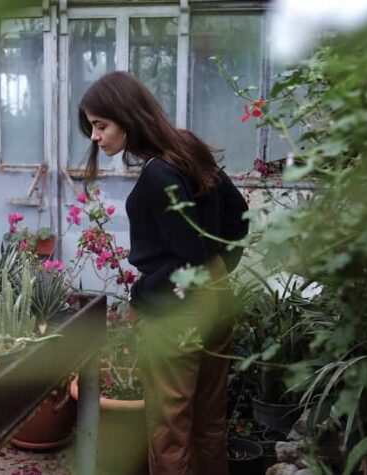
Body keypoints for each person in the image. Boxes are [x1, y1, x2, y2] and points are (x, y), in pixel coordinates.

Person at [78, 71, 250, 475]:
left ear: (127, 117)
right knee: (209, 425)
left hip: (173, 320)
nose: (95, 137)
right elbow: (239, 220)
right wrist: (219, 272)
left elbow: (184, 256)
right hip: (217, 306)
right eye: (91, 127)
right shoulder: (187, 150)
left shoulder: (158, 174)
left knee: (169, 433)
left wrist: (144, 296)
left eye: (101, 125)